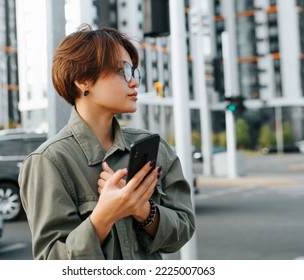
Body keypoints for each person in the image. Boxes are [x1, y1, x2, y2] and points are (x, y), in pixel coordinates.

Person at [18, 24, 195, 260]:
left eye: (134, 72)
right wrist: (103, 216)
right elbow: (51, 260)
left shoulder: (153, 147)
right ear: (83, 80)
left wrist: (143, 209)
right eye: (123, 71)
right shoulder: (49, 162)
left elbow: (182, 232)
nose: (134, 82)